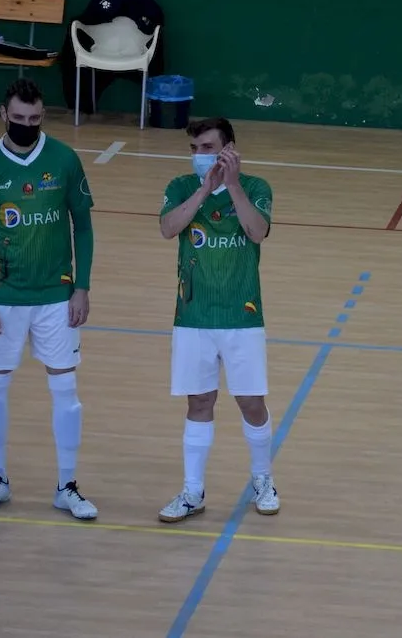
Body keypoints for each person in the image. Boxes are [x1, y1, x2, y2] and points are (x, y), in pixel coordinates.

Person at [0, 78, 97, 520]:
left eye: (34, 118)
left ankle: (66, 486)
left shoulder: (64, 159)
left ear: (43, 116)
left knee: (66, 390)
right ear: (3, 114)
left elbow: (83, 226)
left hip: (57, 296)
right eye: (18, 118)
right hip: (2, 297)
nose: (26, 125)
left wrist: (82, 286)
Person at [157, 117, 279, 523]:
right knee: (199, 401)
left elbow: (257, 231)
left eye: (207, 148)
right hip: (193, 316)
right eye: (194, 149)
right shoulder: (181, 187)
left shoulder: (256, 188)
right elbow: (168, 228)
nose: (199, 156)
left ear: (229, 149)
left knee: (251, 403)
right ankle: (193, 491)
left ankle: (263, 479)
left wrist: (233, 185)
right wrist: (204, 189)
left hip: (243, 316)